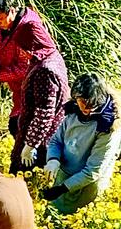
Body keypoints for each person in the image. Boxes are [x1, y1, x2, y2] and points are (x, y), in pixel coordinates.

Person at [0, 0, 69, 173]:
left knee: (27, 169)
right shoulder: (36, 55)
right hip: (26, 104)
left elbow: (44, 113)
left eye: (24, 51)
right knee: (16, 129)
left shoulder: (45, 70)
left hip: (45, 132)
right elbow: (5, 56)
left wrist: (30, 145)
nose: (23, 55)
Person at [43, 73, 121, 214]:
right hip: (65, 175)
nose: (85, 108)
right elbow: (56, 140)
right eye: (81, 102)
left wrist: (63, 188)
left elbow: (93, 170)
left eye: (90, 104)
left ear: (99, 100)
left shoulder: (107, 126)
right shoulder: (73, 111)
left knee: (77, 222)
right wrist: (53, 160)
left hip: (86, 183)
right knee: (53, 216)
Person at [0, 12, 31, 137]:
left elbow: (25, 68)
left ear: (12, 11)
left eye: (2, 19)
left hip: (32, 91)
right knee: (15, 126)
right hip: (18, 93)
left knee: (19, 126)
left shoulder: (24, 30)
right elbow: (4, 60)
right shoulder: (2, 32)